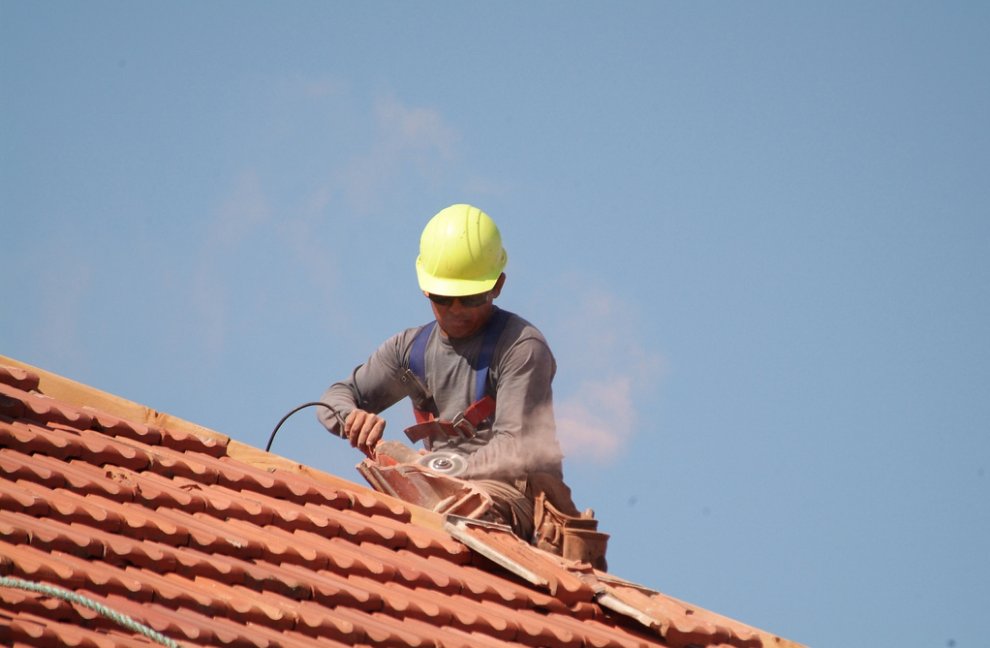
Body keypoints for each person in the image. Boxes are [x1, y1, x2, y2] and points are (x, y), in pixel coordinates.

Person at [318, 203, 607, 567]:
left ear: (498, 286)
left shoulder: (520, 347)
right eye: (443, 297)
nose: (456, 309)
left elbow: (514, 448)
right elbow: (335, 399)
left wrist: (438, 467)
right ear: (425, 289)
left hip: (508, 494)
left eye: (470, 298)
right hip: (434, 487)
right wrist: (351, 419)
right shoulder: (409, 351)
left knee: (463, 514)